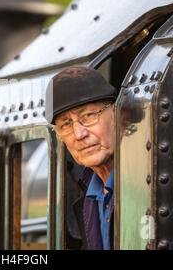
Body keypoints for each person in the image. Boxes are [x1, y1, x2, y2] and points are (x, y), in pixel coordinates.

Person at [45, 66, 116, 250]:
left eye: (89, 115)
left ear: (117, 113)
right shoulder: (88, 199)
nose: (79, 134)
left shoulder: (165, 171)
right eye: (66, 124)